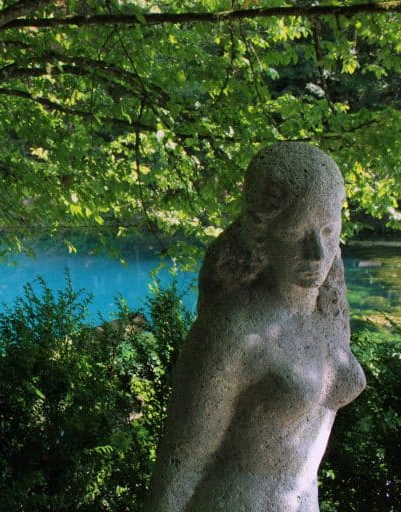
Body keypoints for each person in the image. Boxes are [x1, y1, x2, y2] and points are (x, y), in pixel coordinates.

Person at [148, 143, 366, 512]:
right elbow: (182, 464)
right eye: (296, 233)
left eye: (328, 231)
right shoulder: (235, 330)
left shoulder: (330, 315)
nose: (316, 252)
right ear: (261, 236)